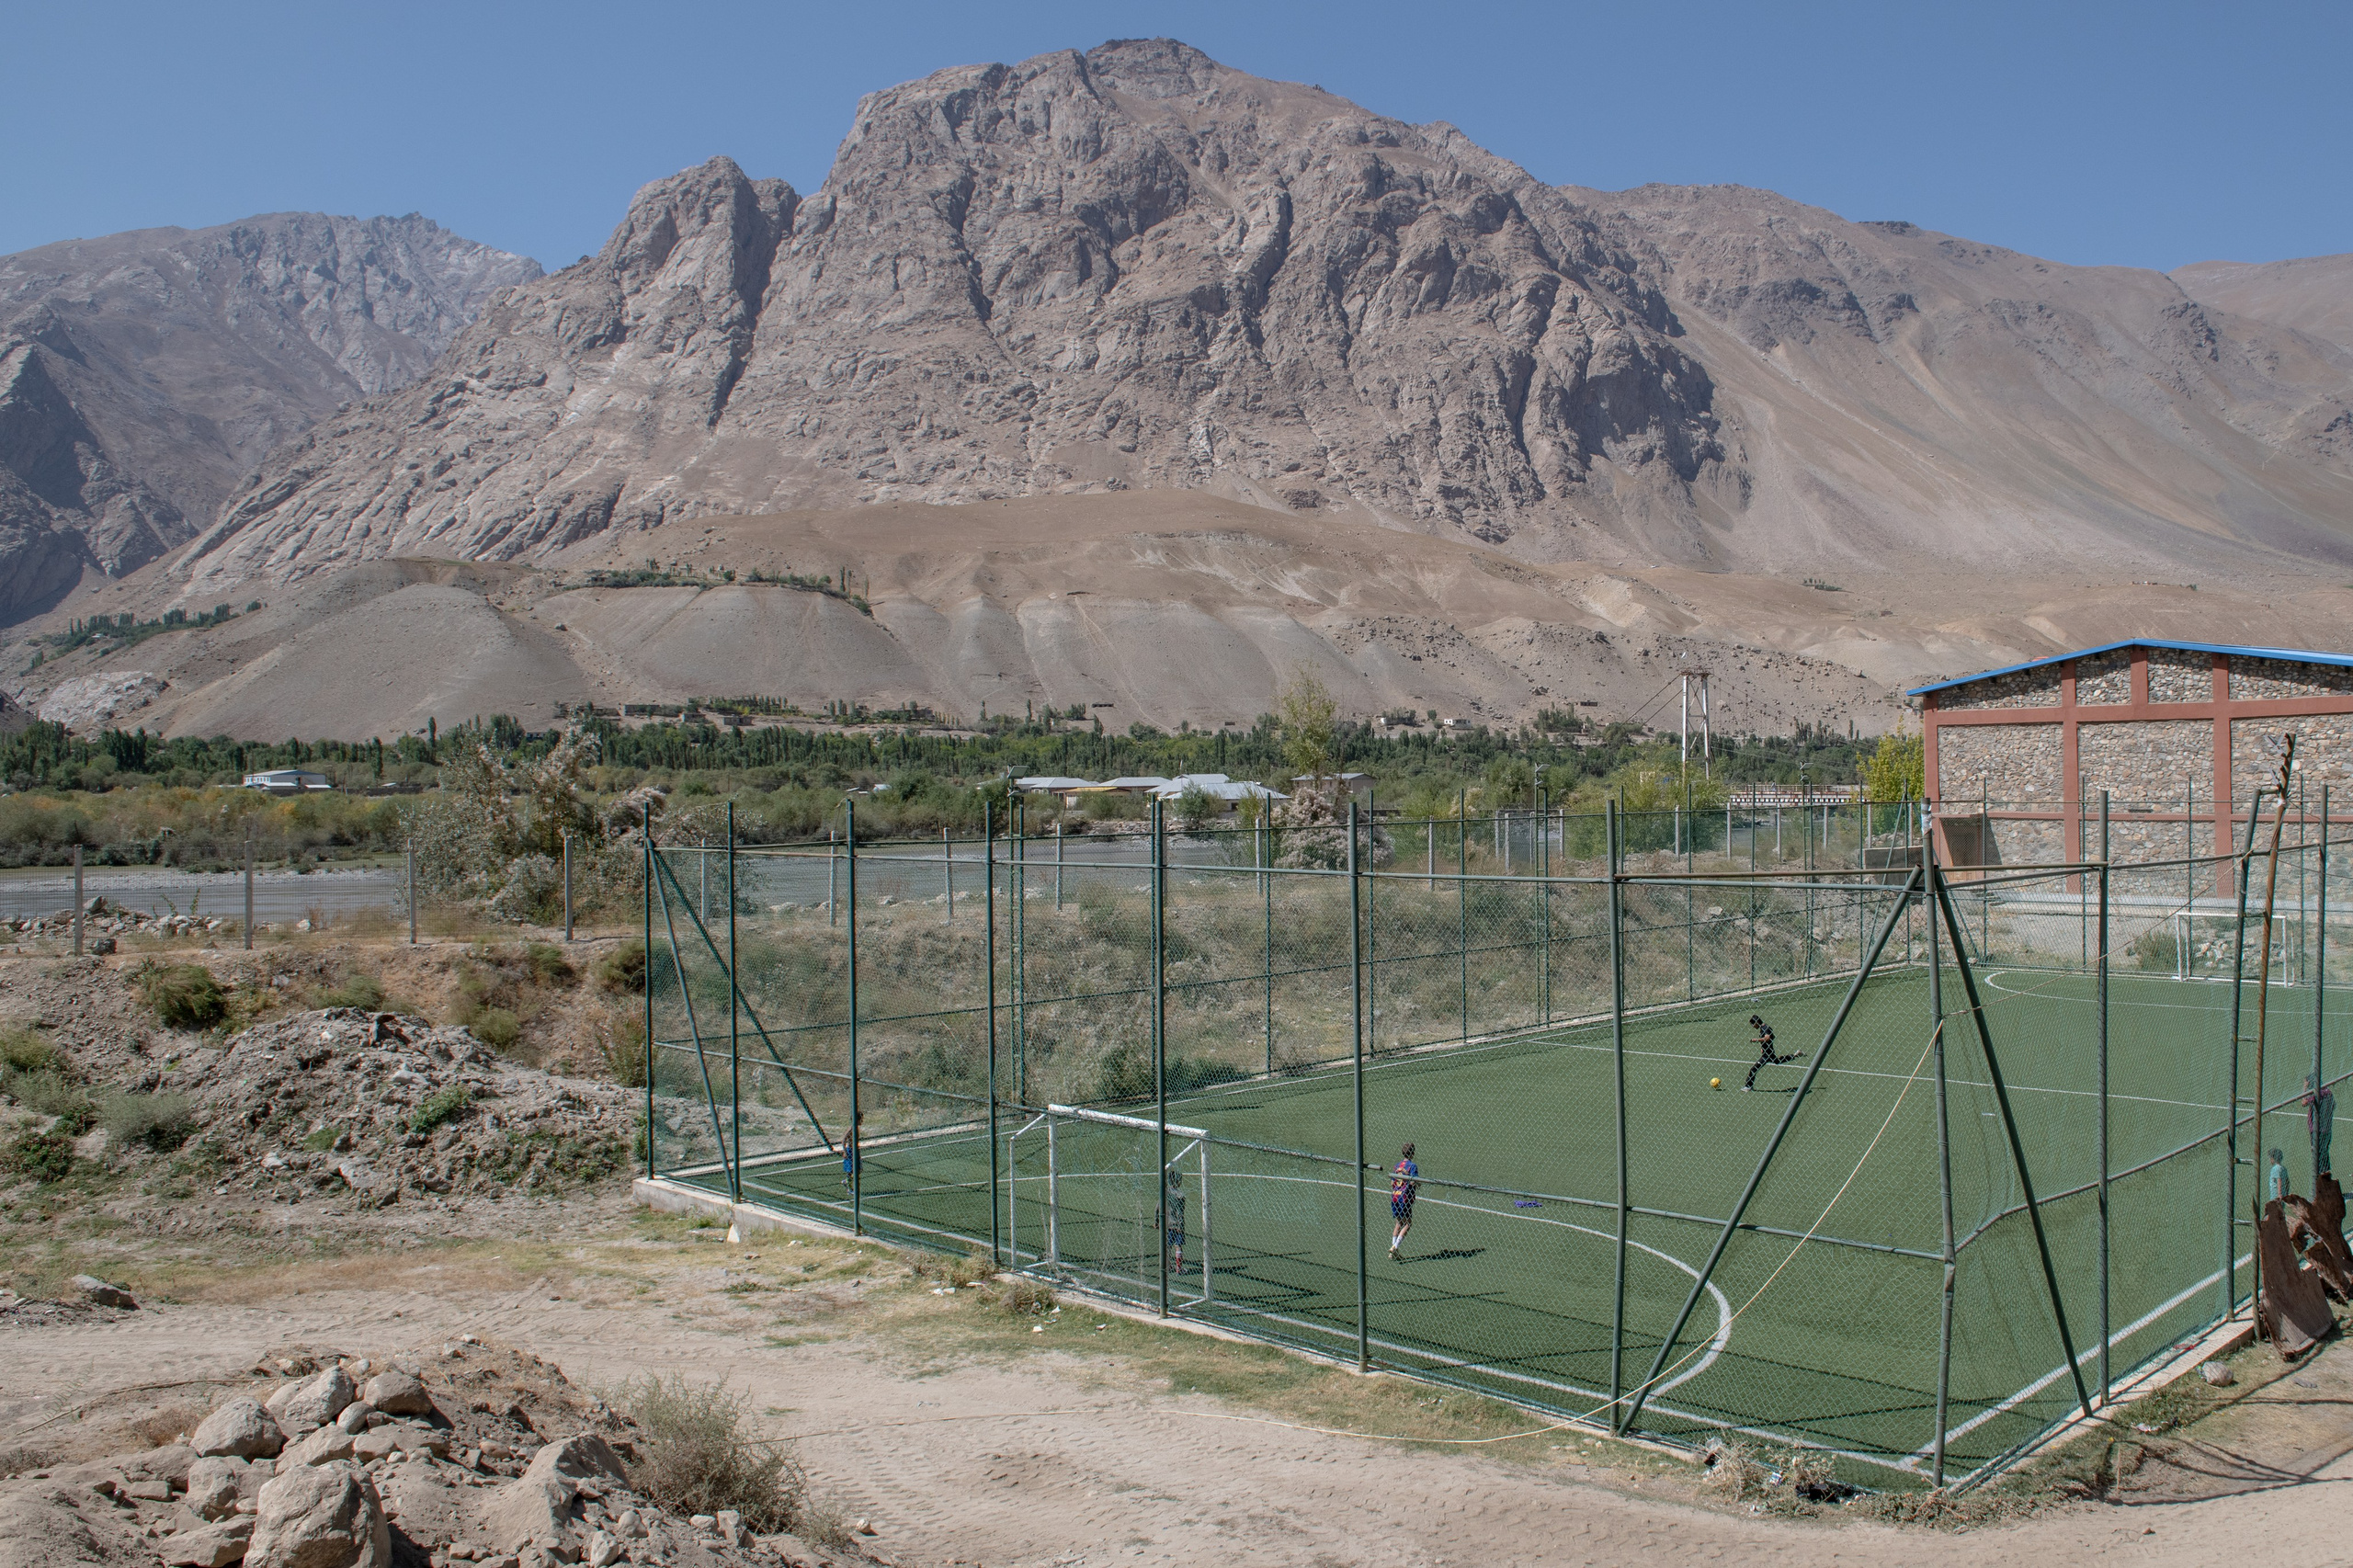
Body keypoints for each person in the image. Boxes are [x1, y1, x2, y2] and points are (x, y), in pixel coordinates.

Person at [1744, 1014, 1802, 1092]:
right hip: (1768, 1052)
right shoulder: (1763, 1028)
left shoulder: (1765, 1028)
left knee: (1754, 1069)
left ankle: (1748, 1086)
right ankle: (1795, 1055)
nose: (1753, 1026)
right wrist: (1762, 1047)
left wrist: (1756, 1040)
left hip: (1767, 1054)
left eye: (1753, 1024)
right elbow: (1771, 1038)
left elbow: (1767, 1038)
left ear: (1756, 1022)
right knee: (1777, 1061)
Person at [1389, 1142, 1420, 1261]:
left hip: (1395, 1197)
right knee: (1408, 1223)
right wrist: (1417, 1183)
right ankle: (1395, 1247)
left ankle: (1393, 1251)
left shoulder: (1397, 1166)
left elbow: (1392, 1183)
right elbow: (1412, 1181)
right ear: (1412, 1153)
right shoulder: (1412, 1166)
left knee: (1398, 1223)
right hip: (1405, 1198)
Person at [2305, 1074, 2336, 1179]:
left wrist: (2305, 1087)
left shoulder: (2317, 1094)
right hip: (2327, 1129)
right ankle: (2325, 1175)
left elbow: (2304, 1102)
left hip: (2316, 1130)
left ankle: (2318, 1178)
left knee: (2316, 1152)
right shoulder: (2329, 1093)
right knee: (2324, 1152)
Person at [1164, 1167, 1187, 1276]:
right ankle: (1179, 1268)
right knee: (1178, 1246)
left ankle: (1168, 1266)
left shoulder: (1165, 1193)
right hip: (1177, 1225)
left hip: (1167, 1224)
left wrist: (1157, 1221)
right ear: (1178, 1181)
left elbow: (1158, 1207)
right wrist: (1180, 1225)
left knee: (1167, 1246)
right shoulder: (1180, 1196)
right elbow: (1180, 1212)